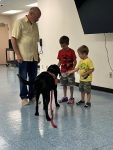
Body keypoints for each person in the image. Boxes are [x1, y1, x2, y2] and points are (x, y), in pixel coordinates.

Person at [11, 7, 41, 106]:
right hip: (23, 56)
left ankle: (32, 96)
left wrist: (38, 54)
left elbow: (36, 41)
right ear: (31, 14)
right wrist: (18, 54)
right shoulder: (19, 22)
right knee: (23, 77)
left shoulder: (36, 25)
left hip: (34, 56)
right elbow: (13, 39)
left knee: (33, 77)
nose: (38, 19)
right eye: (37, 17)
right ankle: (24, 98)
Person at [57, 35, 77, 104]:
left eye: (64, 45)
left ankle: (71, 98)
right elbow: (59, 61)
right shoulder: (60, 52)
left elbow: (75, 61)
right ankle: (65, 97)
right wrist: (57, 68)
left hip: (70, 71)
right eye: (61, 45)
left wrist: (73, 69)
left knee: (71, 85)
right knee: (64, 84)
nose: (62, 47)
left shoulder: (72, 51)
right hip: (63, 71)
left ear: (67, 44)